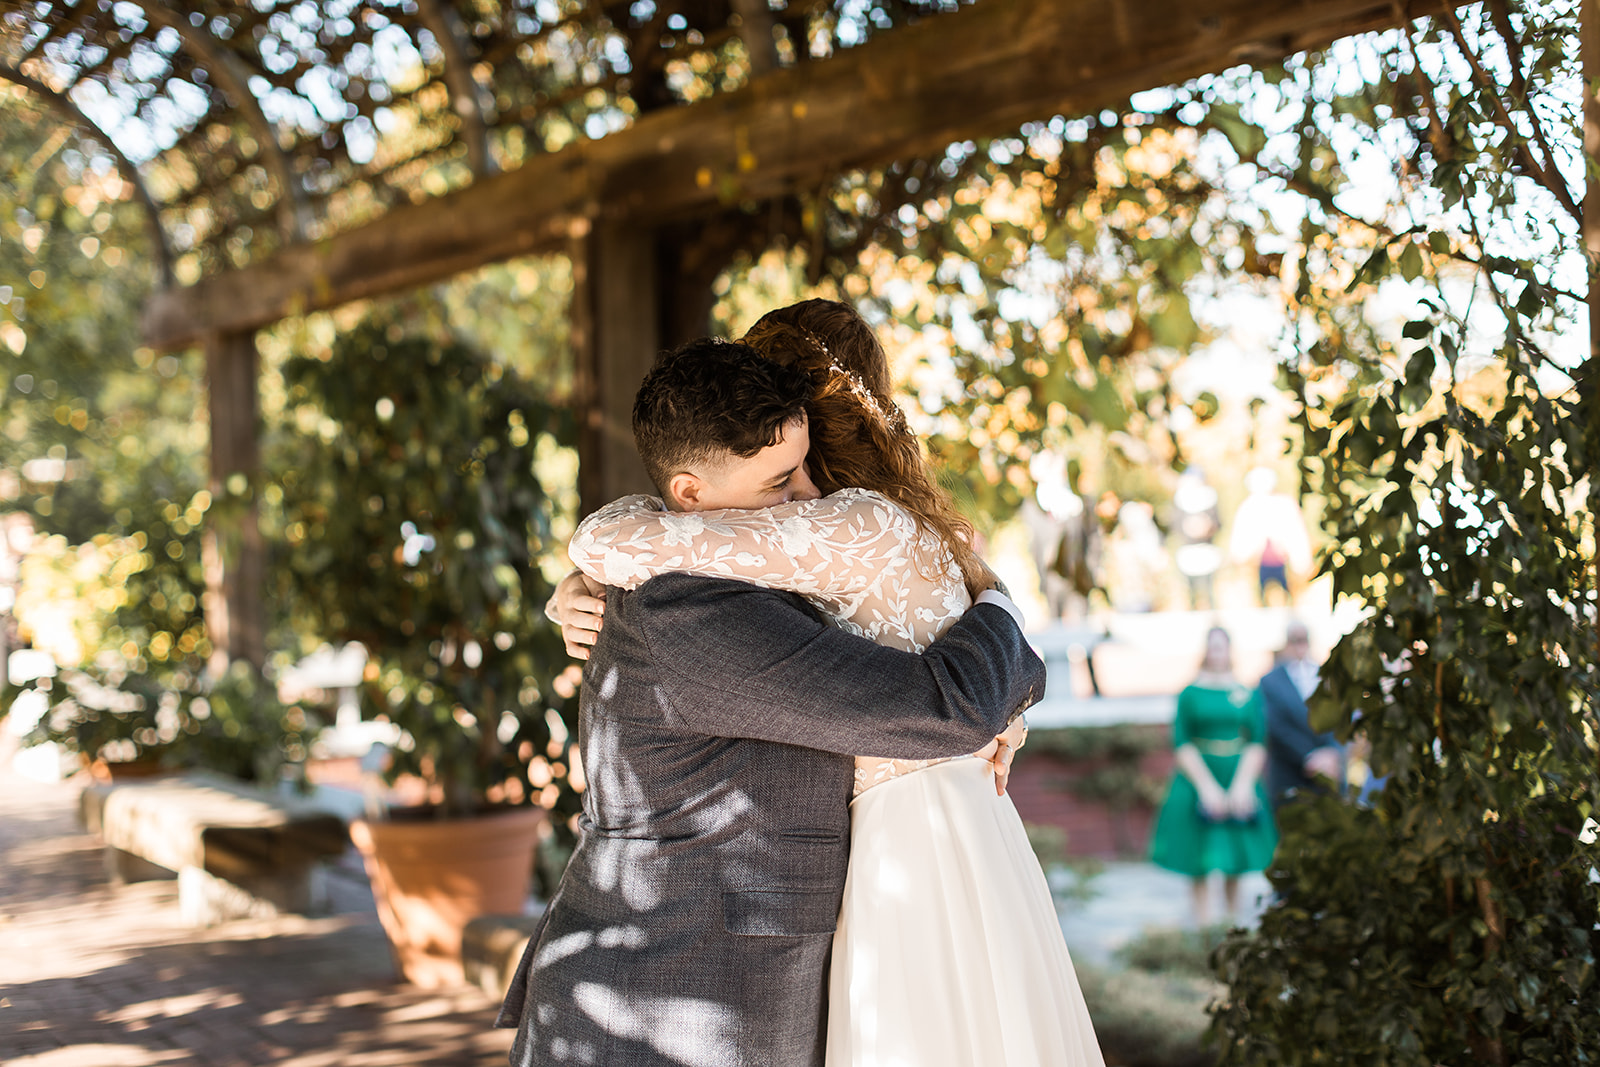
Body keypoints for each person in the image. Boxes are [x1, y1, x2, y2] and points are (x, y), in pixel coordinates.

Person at [550, 300, 1105, 1066]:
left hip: (908, 845)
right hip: (955, 827)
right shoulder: (892, 520)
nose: (788, 492)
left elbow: (626, 535)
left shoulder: (838, 522)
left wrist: (582, 566)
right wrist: (1001, 609)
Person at [1148, 626, 1277, 926]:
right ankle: (1204, 928)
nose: (1217, 652)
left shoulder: (1246, 692)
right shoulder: (1189, 693)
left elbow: (1257, 740)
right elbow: (1182, 742)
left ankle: (1232, 926)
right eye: (1212, 646)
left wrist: (1242, 786)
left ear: (1230, 650)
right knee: (1200, 857)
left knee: (1234, 856)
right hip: (1198, 778)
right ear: (1206, 650)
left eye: (1222, 646)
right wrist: (1208, 789)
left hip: (1238, 776)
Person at [1260, 619, 1344, 809]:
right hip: (1290, 776)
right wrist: (1309, 757)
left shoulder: (1327, 676)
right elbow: (1276, 727)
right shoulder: (1270, 682)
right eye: (1294, 640)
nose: (1300, 646)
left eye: (1303, 640)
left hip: (1329, 778)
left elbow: (1340, 719)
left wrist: (1333, 753)